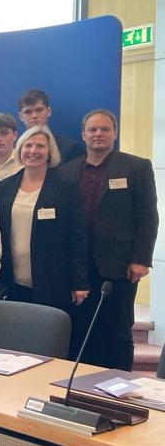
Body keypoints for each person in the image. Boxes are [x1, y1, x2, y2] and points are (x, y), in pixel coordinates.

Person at [59, 109, 158, 370]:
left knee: (118, 331)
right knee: (81, 331)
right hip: (78, 267)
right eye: (92, 129)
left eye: (104, 129)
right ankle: (84, 383)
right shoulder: (66, 172)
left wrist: (141, 259)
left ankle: (121, 384)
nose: (98, 134)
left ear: (114, 133)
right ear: (83, 134)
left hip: (119, 266)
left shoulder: (136, 167)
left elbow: (148, 216)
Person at [0, 126, 88, 315]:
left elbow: (78, 236)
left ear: (50, 152)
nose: (33, 151)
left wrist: (79, 281)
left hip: (53, 281)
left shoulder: (65, 187)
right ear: (20, 150)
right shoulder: (4, 187)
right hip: (13, 281)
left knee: (48, 331)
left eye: (40, 146)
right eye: (28, 145)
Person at [17, 88, 84, 164]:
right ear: (21, 117)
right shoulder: (14, 147)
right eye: (28, 112)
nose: (34, 116)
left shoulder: (70, 149)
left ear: (48, 111)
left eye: (39, 110)